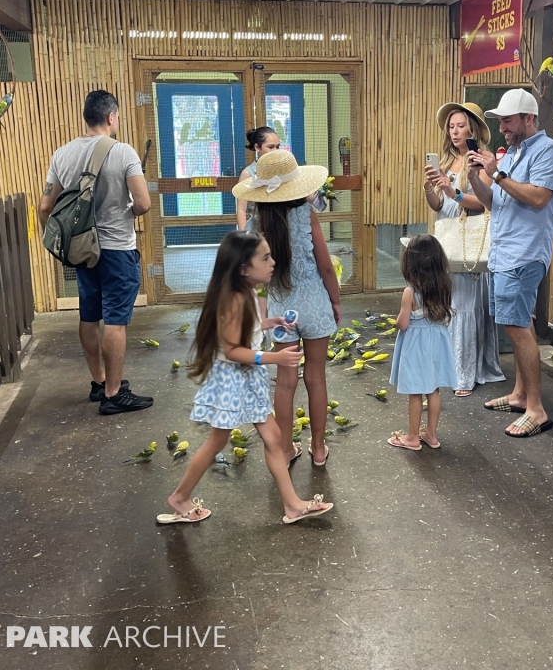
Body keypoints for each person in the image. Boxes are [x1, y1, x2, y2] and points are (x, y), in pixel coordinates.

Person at [158, 231, 333, 525]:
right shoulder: (235, 299)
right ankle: (179, 496)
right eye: (265, 258)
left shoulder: (247, 293)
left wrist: (270, 322)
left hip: (248, 379)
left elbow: (246, 331)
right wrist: (275, 358)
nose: (273, 263)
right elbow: (232, 350)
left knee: (273, 437)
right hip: (231, 380)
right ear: (243, 268)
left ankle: (291, 505)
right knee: (217, 441)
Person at [39, 90, 154, 415]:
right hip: (117, 249)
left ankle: (99, 381)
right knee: (115, 321)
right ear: (111, 117)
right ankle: (114, 394)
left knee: (89, 315)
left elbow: (46, 206)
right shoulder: (123, 152)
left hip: (81, 249)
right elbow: (143, 203)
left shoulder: (62, 155)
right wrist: (124, 211)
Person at [467, 89, 553, 438]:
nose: (502, 127)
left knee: (517, 328)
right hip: (503, 252)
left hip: (525, 254)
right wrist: (474, 177)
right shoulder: (511, 154)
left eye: (508, 121)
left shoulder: (550, 153)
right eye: (500, 121)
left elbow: (539, 198)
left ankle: (536, 409)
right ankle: (519, 394)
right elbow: (493, 202)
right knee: (514, 323)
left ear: (528, 118)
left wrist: (496, 174)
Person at [232, 150, 341, 468]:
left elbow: (255, 277)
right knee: (316, 378)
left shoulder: (256, 222)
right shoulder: (308, 214)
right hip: (316, 304)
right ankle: (318, 449)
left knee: (285, 382)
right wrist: (334, 301)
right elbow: (325, 266)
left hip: (282, 311)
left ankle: (285, 447)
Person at [423, 101, 506, 397]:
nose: (455, 131)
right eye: (451, 126)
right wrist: (430, 188)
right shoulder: (446, 162)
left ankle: (465, 373)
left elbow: (484, 202)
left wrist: (453, 191)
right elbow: (438, 207)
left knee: (466, 306)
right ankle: (447, 366)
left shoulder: (482, 159)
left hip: (471, 238)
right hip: (447, 236)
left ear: (473, 128)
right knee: (448, 303)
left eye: (460, 125)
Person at [387, 235, 456, 450]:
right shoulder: (445, 286)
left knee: (416, 391)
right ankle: (432, 435)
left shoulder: (410, 292)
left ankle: (412, 437)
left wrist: (396, 321)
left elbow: (404, 323)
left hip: (416, 344)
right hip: (437, 341)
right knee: (433, 389)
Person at [236, 127, 280, 231]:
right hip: (257, 231)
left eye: (277, 147)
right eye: (271, 147)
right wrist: (244, 236)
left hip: (281, 229)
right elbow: (241, 209)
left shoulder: (282, 169)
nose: (275, 151)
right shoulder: (248, 173)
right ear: (257, 147)